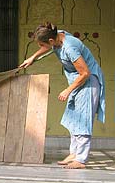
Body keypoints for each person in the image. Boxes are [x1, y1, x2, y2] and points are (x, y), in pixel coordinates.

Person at [19, 22, 105, 169]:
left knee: (83, 119)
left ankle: (81, 159)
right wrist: (32, 58)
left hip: (88, 82)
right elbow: (46, 47)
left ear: (51, 41)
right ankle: (74, 153)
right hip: (77, 81)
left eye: (41, 44)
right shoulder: (58, 35)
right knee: (73, 118)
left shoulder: (70, 48)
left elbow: (85, 73)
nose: (41, 46)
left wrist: (67, 90)